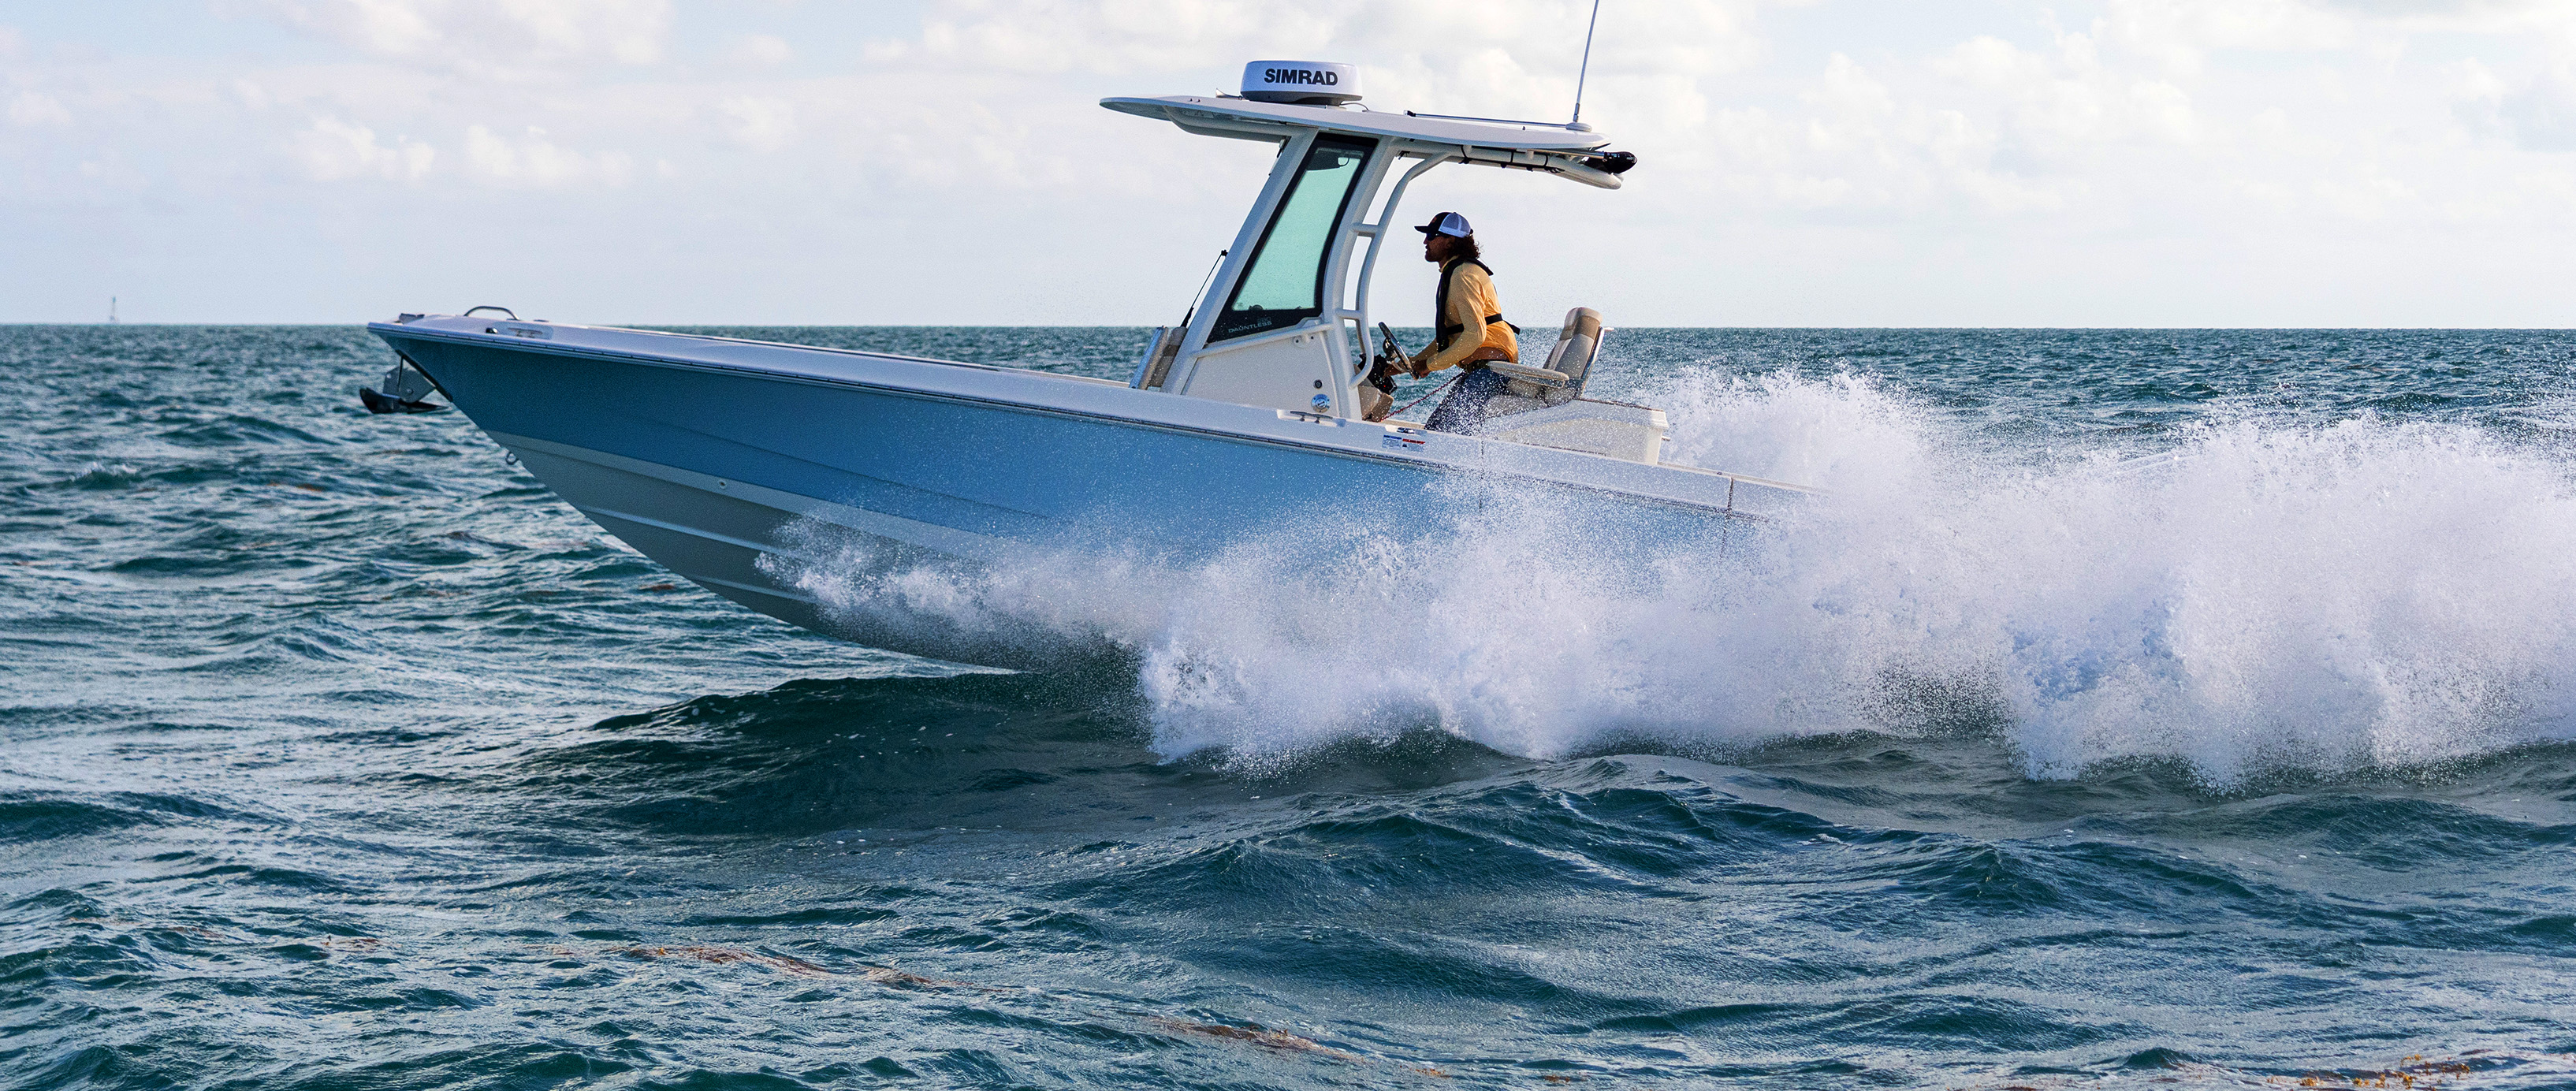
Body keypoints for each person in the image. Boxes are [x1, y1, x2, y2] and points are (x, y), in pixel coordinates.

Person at [1401, 211, 1518, 432]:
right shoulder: (1455, 272)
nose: (1425, 241)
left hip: (1491, 372)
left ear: (1450, 242)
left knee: (1440, 433)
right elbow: (1449, 337)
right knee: (1435, 429)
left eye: (1432, 236)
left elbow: (1475, 335)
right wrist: (1407, 364)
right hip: (1482, 371)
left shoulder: (1463, 275)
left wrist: (1430, 364)